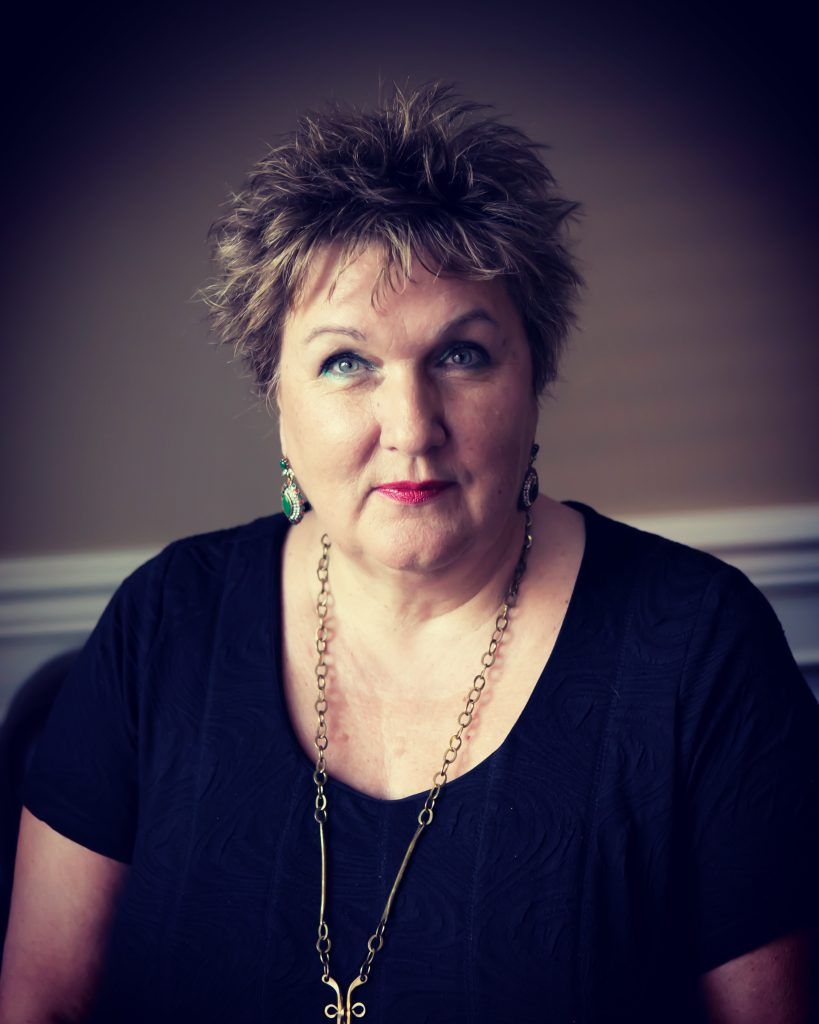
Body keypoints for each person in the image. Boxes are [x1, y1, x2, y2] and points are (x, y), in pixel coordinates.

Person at [0, 84, 817, 1024]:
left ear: (535, 378)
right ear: (279, 400)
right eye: (345, 362)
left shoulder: (700, 649)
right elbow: (41, 1004)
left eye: (461, 355)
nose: (411, 427)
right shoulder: (163, 623)